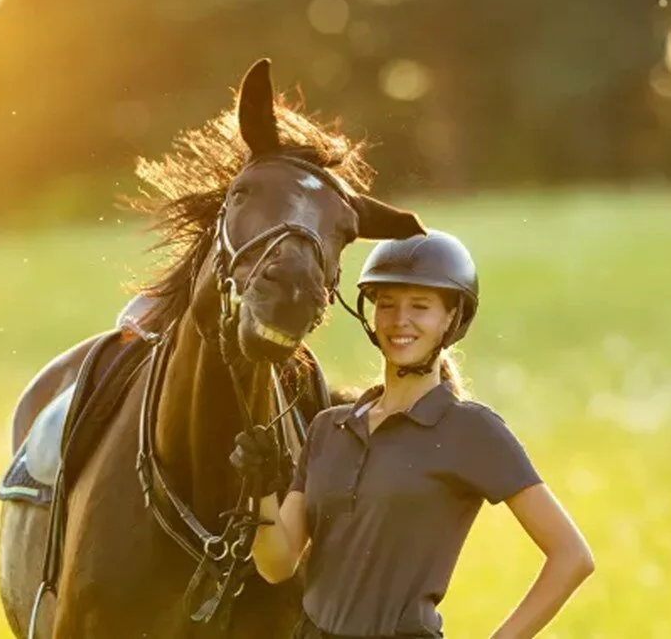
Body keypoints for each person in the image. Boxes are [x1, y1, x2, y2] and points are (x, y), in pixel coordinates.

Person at [230, 230, 595, 639]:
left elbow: (572, 556)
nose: (399, 320)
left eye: (419, 306)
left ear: (451, 318)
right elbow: (276, 566)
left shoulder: (472, 431)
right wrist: (260, 491)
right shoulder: (328, 429)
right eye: (387, 305)